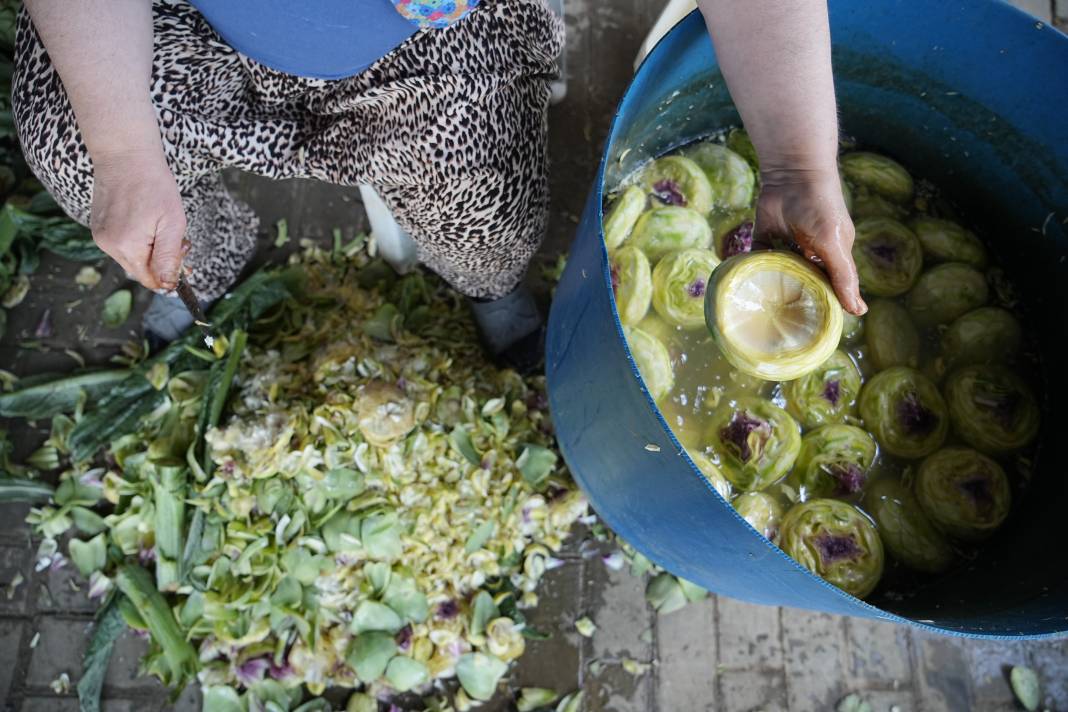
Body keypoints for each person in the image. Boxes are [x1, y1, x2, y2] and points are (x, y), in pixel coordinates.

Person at [13, 0, 865, 374]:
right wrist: (126, 151)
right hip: (178, 20)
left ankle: (485, 283)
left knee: (486, 203)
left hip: (443, 35)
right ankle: (208, 254)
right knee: (74, 144)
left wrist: (796, 163)